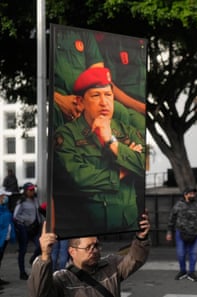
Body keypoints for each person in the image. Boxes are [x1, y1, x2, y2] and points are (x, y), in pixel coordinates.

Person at [53, 67, 145, 237]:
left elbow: (143, 165)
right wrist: (123, 171)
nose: (104, 102)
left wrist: (112, 142)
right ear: (80, 102)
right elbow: (79, 178)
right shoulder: (67, 135)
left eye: (108, 95)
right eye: (96, 95)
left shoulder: (127, 131)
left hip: (129, 226)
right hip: (89, 231)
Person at [28, 212, 151, 297]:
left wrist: (141, 238)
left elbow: (135, 259)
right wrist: (45, 256)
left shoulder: (111, 266)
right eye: (88, 247)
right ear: (72, 251)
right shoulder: (62, 279)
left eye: (96, 245)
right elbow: (39, 293)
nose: (95, 250)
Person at [166, 187, 197, 282]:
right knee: (181, 254)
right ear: (185, 194)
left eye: (194, 194)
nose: (193, 195)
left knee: (194, 254)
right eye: (190, 194)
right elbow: (172, 218)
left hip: (195, 233)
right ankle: (183, 271)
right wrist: (169, 231)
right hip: (181, 232)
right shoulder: (178, 205)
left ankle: (191, 273)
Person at [13, 182, 42, 280]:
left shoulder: (36, 200)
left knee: (40, 246)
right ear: (25, 191)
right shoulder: (21, 202)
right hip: (24, 228)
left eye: (33, 189)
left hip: (35, 227)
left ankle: (33, 258)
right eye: (30, 190)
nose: (32, 191)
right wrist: (25, 221)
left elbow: (38, 212)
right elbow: (15, 216)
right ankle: (22, 272)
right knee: (23, 250)